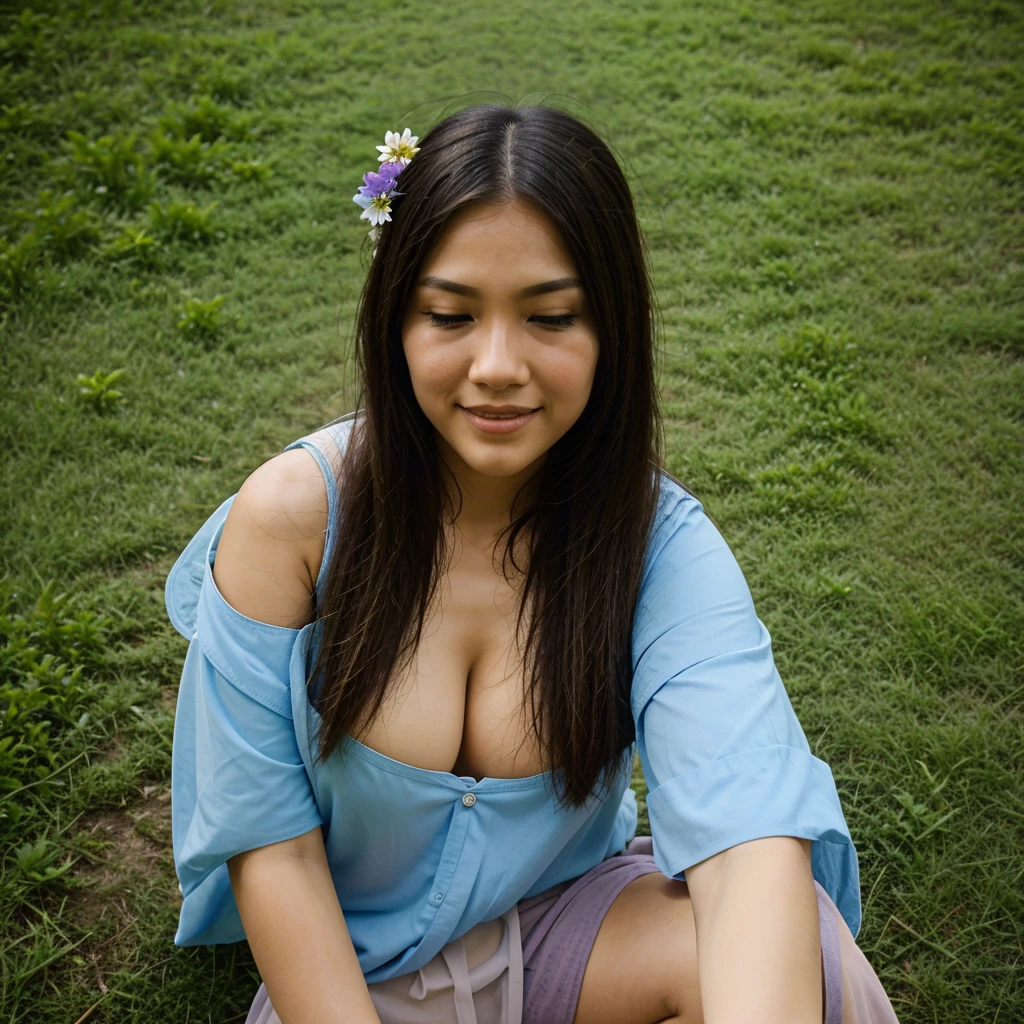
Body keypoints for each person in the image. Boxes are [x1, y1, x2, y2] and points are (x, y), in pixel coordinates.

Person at [166, 103, 901, 1024]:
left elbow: (748, 828)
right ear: (396, 320)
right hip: (348, 980)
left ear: (612, 330)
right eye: (450, 314)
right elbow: (270, 845)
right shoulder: (295, 521)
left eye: (551, 317)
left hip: (570, 937)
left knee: (810, 960)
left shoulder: (657, 545)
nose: (498, 366)